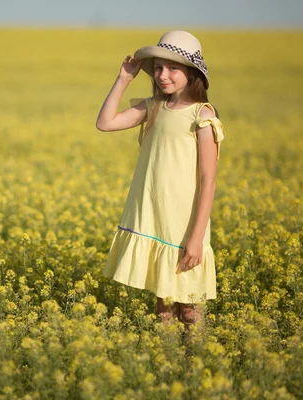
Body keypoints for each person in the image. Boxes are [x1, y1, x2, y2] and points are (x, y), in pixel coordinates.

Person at [96, 31, 224, 333]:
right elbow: (105, 123)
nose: (162, 75)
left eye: (172, 68)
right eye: (157, 68)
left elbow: (209, 181)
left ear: (191, 73)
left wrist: (196, 237)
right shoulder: (154, 106)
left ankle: (194, 367)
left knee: (189, 311)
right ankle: (169, 369)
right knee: (164, 311)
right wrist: (124, 79)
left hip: (185, 227)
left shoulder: (202, 115)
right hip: (157, 221)